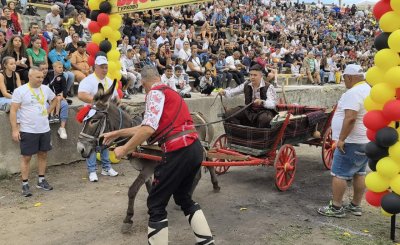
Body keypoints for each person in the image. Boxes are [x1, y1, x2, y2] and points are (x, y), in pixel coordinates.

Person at [102, 65, 214, 245]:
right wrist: (116, 134)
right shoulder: (171, 92)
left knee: (155, 203)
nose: (144, 89)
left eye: (143, 85)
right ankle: (207, 242)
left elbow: (148, 128)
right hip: (194, 149)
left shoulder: (154, 93)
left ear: (145, 81)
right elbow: (145, 126)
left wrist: (124, 149)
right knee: (184, 198)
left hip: (178, 150)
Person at [318, 64, 370, 217]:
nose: (344, 81)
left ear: (349, 77)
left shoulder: (353, 93)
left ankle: (336, 207)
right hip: (365, 139)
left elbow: (350, 118)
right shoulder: (369, 89)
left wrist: (341, 139)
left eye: (344, 78)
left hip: (351, 141)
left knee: (339, 174)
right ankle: (355, 205)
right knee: (359, 173)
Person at [10, 66, 58, 197]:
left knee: (43, 154)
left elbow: (55, 99)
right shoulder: (20, 91)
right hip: (28, 130)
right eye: (38, 77)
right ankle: (25, 184)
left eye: (42, 77)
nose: (41, 79)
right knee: (26, 157)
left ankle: (41, 180)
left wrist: (48, 111)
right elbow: (13, 110)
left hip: (44, 128)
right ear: (30, 76)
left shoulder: (45, 89)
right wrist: (15, 129)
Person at [77, 56, 119, 182]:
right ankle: (92, 170)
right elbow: (81, 95)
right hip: (92, 116)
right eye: (101, 67)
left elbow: (116, 98)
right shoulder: (88, 80)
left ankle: (106, 167)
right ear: (95, 67)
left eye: (106, 67)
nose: (104, 69)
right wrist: (99, 102)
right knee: (90, 141)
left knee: (105, 141)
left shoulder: (110, 81)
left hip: (106, 117)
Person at [40, 62, 69, 139]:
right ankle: (43, 129)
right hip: (44, 100)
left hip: (56, 97)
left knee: (65, 105)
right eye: (42, 69)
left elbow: (64, 89)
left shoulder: (58, 76)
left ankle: (62, 128)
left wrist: (63, 96)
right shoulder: (37, 78)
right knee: (44, 106)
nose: (45, 70)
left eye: (46, 68)